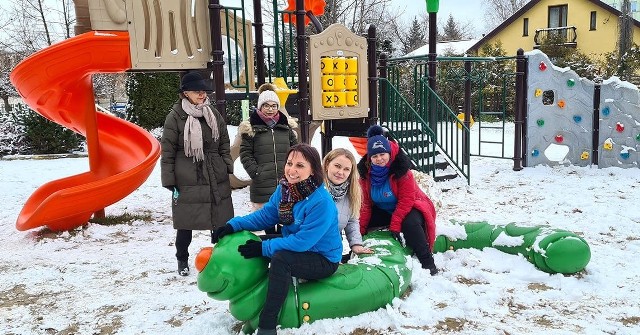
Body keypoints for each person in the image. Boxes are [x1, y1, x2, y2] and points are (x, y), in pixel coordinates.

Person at [213, 143, 342, 335]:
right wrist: (233, 225)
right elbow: (266, 216)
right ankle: (248, 293)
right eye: (289, 163)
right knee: (250, 243)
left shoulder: (321, 202)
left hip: (323, 258)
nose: (292, 170)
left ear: (313, 170)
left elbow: (302, 242)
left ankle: (267, 323)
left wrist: (264, 248)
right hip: (297, 244)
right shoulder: (285, 190)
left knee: (280, 259)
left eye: (300, 165)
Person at [161, 71, 234, 277]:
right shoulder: (175, 116)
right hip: (188, 176)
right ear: (185, 93)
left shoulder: (213, 113)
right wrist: (169, 179)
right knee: (186, 221)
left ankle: (219, 258)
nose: (202, 95)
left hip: (214, 173)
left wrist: (225, 164)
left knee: (220, 219)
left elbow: (224, 142)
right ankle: (181, 259)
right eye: (197, 92)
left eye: (204, 91)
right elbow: (167, 151)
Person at [357, 125, 438, 275]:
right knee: (357, 220)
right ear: (369, 158)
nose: (379, 159)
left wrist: (395, 225)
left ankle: (427, 262)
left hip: (412, 206)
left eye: (382, 154)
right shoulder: (366, 175)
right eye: (374, 156)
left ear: (389, 153)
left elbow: (406, 201)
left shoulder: (402, 171)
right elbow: (366, 205)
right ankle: (358, 252)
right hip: (385, 209)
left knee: (409, 224)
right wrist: (359, 232)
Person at [238, 85, 298, 218]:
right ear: (260, 107)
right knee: (266, 222)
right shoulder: (251, 129)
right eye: (266, 105)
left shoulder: (286, 128)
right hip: (262, 184)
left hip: (286, 182)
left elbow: (296, 152)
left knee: (285, 224)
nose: (270, 109)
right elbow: (245, 154)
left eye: (274, 105)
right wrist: (256, 172)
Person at [322, 148, 373, 261]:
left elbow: (351, 220)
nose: (341, 172)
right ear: (327, 165)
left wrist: (356, 244)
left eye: (346, 169)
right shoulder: (315, 188)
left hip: (333, 245)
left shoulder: (351, 192)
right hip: (310, 244)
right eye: (337, 166)